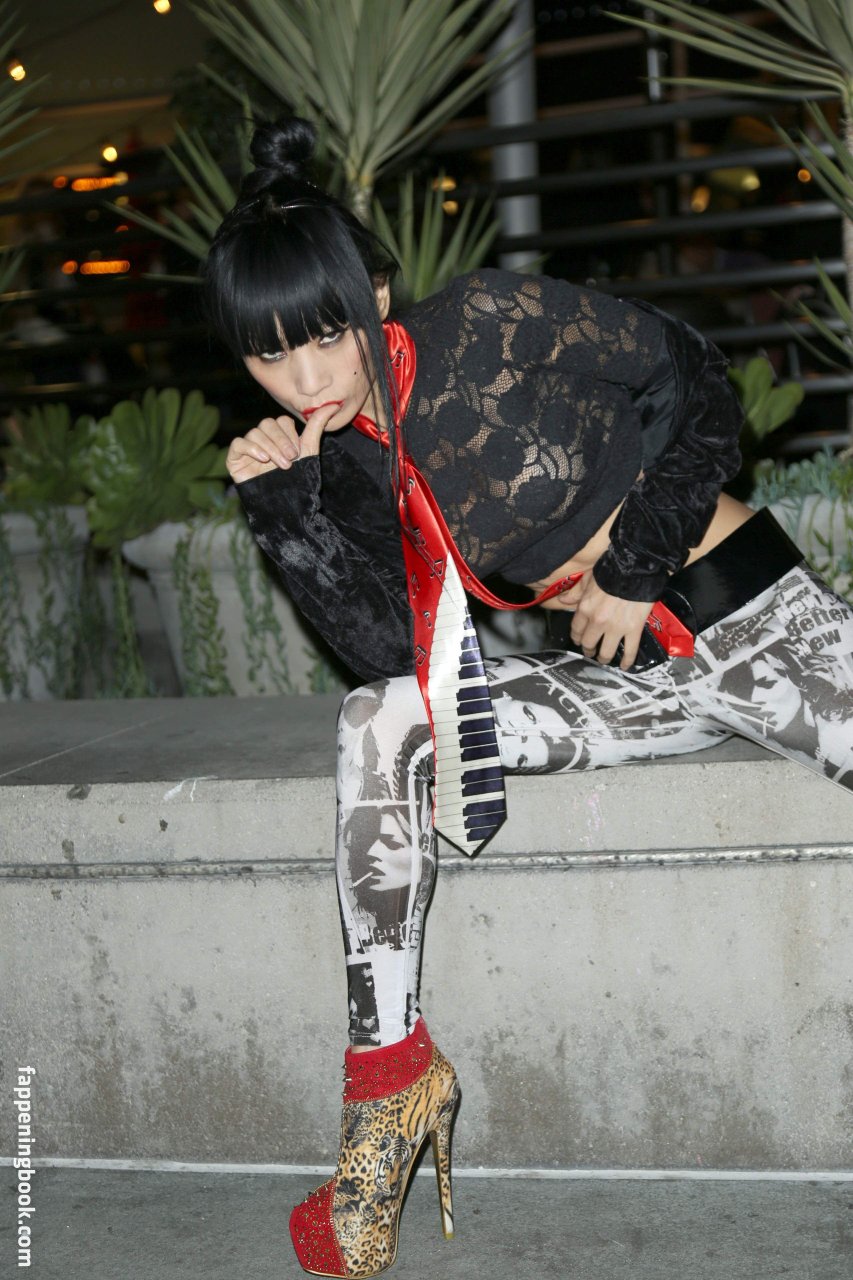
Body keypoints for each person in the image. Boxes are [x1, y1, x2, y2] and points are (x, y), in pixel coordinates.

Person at [204, 117, 853, 1279]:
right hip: (635, 686)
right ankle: (389, 1086)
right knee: (377, 722)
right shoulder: (340, 457)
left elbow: (699, 379)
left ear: (375, 296)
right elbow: (384, 649)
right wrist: (285, 502)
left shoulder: (485, 323)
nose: (305, 379)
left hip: (747, 616)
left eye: (326, 336)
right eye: (269, 357)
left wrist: (633, 565)